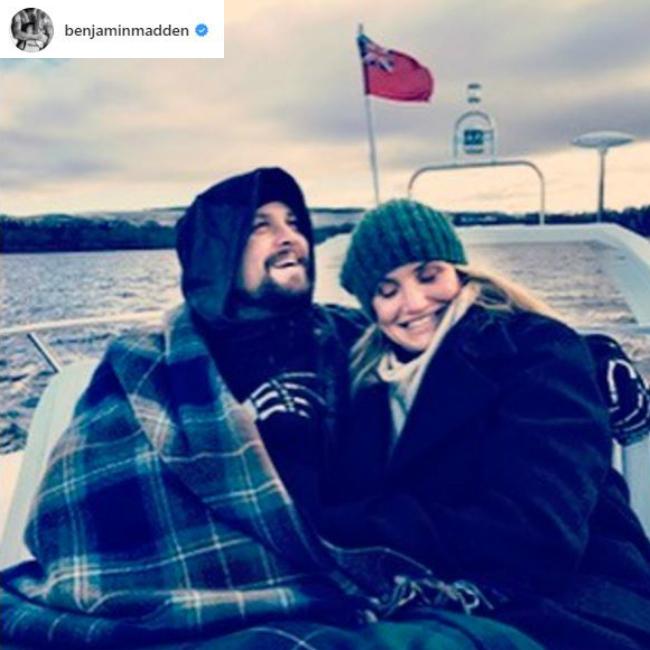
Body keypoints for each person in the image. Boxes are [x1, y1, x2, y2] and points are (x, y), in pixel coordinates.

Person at [0, 171, 542, 649]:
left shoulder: (351, 338)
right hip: (183, 579)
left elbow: (473, 352)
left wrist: (580, 355)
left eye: (294, 222)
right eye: (261, 225)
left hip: (337, 576)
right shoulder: (146, 362)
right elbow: (84, 503)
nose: (290, 236)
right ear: (217, 250)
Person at [317, 198, 650, 650]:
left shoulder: (537, 351)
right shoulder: (367, 383)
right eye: (387, 290)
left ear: (459, 273)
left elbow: (537, 535)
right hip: (433, 596)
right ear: (369, 307)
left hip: (574, 600)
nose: (413, 302)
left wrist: (350, 527)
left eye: (428, 275)